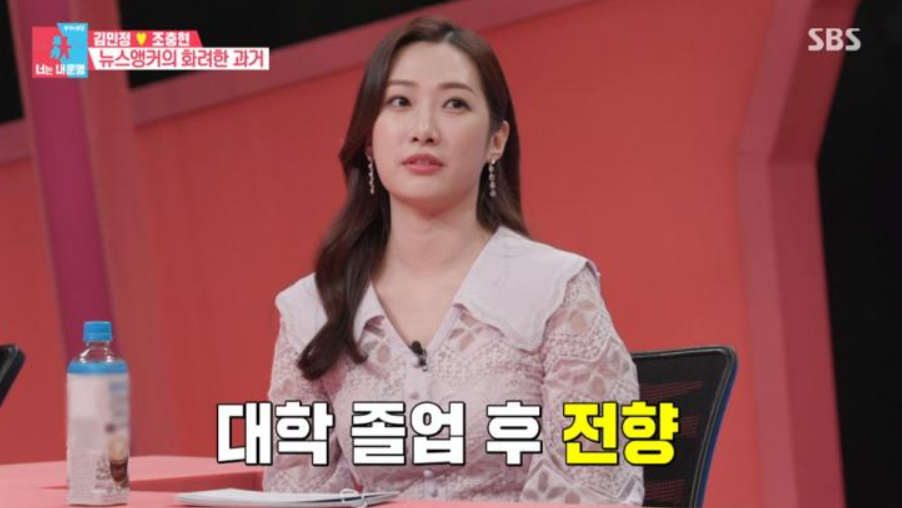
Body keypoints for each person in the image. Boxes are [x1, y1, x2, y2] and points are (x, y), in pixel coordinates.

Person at [264, 15, 644, 506]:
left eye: (455, 104)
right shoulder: (312, 310)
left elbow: (593, 488)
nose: (424, 130)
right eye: (400, 102)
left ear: (496, 141)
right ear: (369, 139)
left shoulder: (556, 291)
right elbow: (296, 492)